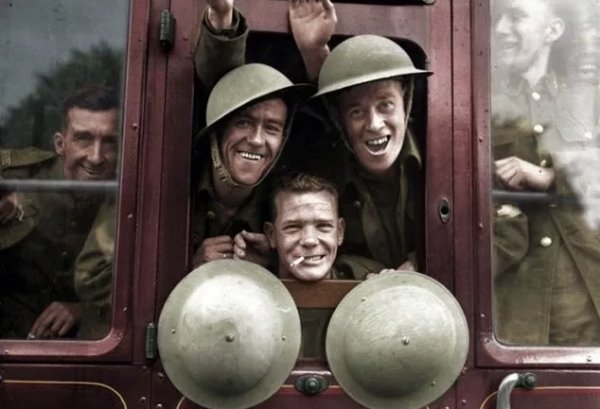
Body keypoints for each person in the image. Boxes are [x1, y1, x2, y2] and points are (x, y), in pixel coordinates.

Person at [491, 0, 600, 345]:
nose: (500, 29)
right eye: (498, 18)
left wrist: (552, 177)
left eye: (516, 17)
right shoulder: (482, 105)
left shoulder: (588, 99)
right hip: (516, 307)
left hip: (588, 297)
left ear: (552, 30)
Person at [190, 0, 313, 269]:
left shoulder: (285, 200)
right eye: (244, 123)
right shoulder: (176, 183)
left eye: (272, 128)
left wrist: (274, 268)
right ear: (219, 130)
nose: (257, 140)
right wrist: (189, 266)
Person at [0, 84, 119, 339]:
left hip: (86, 345)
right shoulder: (18, 179)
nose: (96, 157)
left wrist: (83, 310)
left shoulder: (128, 200)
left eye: (109, 142)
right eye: (83, 138)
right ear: (60, 144)